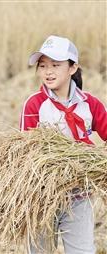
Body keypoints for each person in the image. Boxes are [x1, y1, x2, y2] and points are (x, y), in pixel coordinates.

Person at [20, 35, 107, 253]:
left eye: (55, 65)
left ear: (72, 67)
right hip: (42, 195)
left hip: (79, 195)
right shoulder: (35, 104)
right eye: (42, 66)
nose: (48, 72)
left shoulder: (90, 104)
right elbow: (24, 148)